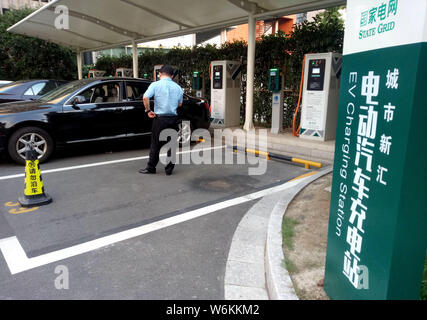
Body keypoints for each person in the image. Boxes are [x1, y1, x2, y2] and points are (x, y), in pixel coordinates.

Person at [139, 65, 183, 176]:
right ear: (172, 76)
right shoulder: (178, 87)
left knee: (155, 144)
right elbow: (180, 104)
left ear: (159, 74)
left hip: (160, 119)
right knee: (171, 144)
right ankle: (169, 170)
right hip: (173, 119)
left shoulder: (155, 85)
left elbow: (145, 97)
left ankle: (151, 167)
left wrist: (148, 110)